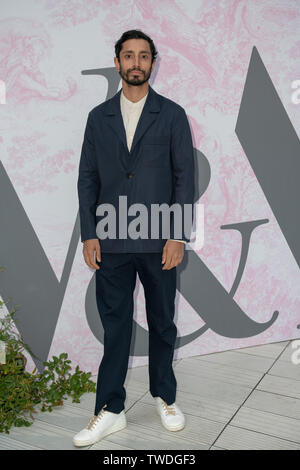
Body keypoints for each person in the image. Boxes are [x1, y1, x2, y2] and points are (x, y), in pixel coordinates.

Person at [73, 29, 195, 447]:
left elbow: (184, 178)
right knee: (116, 327)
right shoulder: (97, 117)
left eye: (144, 56)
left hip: (160, 238)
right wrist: (89, 235)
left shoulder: (173, 115)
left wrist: (178, 235)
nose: (136, 62)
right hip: (110, 240)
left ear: (153, 62)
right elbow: (87, 179)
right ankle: (109, 409)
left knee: (162, 322)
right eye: (129, 56)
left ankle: (165, 396)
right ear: (117, 62)